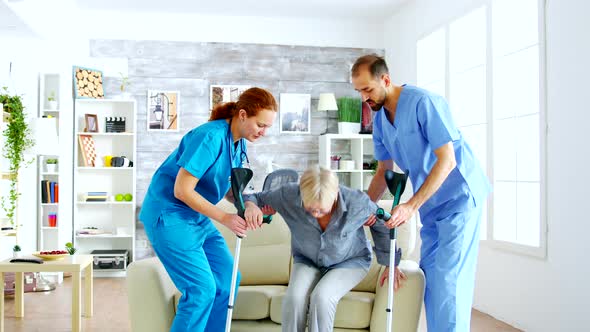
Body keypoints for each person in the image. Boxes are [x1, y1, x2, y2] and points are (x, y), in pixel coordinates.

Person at [351, 54, 491, 332]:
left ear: (386, 80)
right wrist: (364, 207)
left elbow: (447, 160)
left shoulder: (424, 103)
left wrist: (410, 206)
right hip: (431, 206)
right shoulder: (380, 122)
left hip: (460, 198)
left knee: (449, 282)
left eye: (367, 89)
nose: (364, 98)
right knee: (432, 281)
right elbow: (383, 171)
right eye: (358, 92)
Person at [138, 87, 277, 332]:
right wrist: (226, 218)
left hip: (196, 217)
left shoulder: (238, 143)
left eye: (267, 127)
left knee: (227, 280)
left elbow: (227, 186)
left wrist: (250, 205)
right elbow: (182, 190)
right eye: (261, 125)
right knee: (201, 291)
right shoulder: (209, 137)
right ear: (243, 115)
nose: (264, 133)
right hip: (169, 215)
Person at [243, 165, 403, 332]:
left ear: (335, 195)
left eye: (322, 209)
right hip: (307, 259)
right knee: (294, 298)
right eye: (310, 209)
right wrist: (251, 206)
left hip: (350, 261)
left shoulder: (357, 201)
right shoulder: (288, 195)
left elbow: (383, 225)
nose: (316, 214)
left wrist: (391, 264)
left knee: (322, 297)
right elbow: (254, 197)